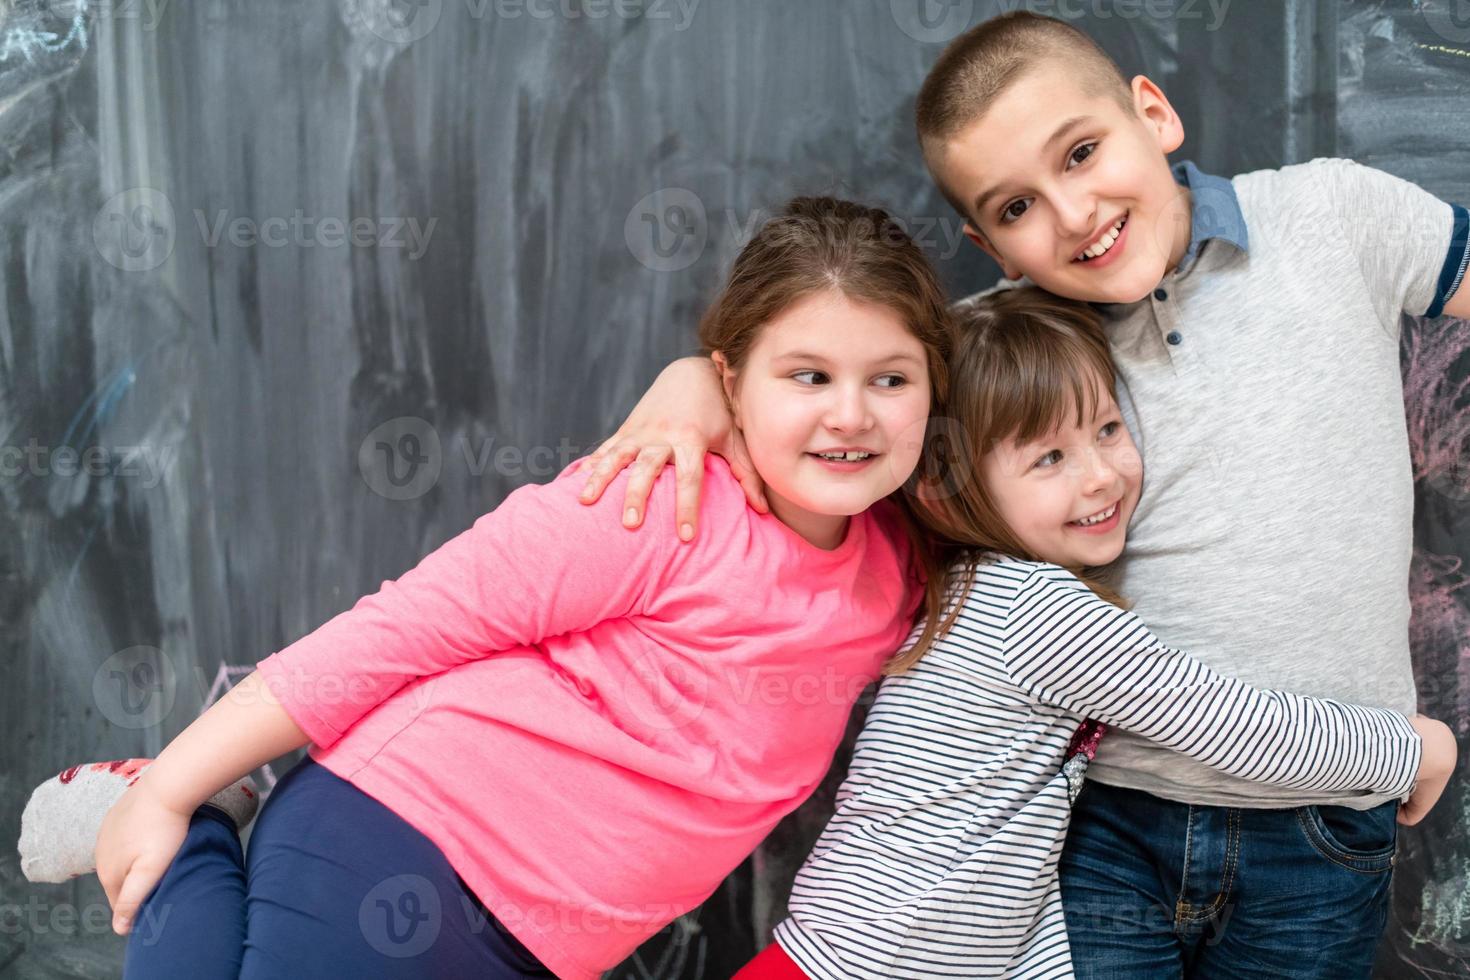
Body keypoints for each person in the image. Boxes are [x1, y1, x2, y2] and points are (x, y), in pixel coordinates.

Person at [575, 12, 1468, 977]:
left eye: (1082, 153)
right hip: (1107, 822)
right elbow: (820, 380)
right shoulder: (994, 355)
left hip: (1322, 826)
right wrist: (692, 383)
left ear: (1154, 114)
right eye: (1016, 208)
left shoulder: (1333, 215)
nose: (1074, 214)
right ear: (989, 245)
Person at [33, 196, 955, 980]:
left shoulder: (903, 567)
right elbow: (396, 631)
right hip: (401, 836)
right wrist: (172, 794)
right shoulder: (646, 501)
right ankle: (169, 802)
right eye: (808, 376)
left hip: (547, 949)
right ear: (732, 378)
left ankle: (190, 809)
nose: (850, 413)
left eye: (889, 378)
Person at [728, 287, 1456, 978]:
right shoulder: (1033, 608)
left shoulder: (963, 588)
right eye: (1049, 458)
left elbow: (1015, 869)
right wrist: (1409, 749)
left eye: (1108, 429)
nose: (1101, 476)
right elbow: (1231, 724)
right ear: (945, 494)